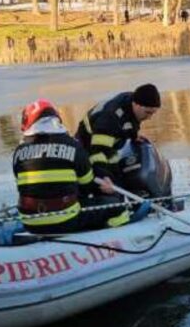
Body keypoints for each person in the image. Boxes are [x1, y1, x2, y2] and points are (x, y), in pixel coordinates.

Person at [13, 99, 131, 234]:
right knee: (117, 207)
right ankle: (108, 241)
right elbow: (87, 185)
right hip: (66, 221)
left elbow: (24, 185)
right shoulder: (73, 146)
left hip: (29, 223)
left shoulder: (19, 151)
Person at [76, 84, 161, 189]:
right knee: (108, 178)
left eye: (152, 113)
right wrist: (105, 178)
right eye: (147, 113)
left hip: (108, 140)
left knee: (116, 168)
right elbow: (98, 152)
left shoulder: (131, 100)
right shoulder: (110, 118)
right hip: (88, 144)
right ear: (136, 105)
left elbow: (132, 121)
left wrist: (134, 135)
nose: (149, 118)